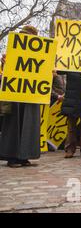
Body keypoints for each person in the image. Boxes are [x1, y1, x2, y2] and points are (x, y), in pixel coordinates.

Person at [0, 25, 41, 168]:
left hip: (31, 94)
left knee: (28, 125)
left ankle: (24, 156)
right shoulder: (13, 51)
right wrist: (5, 63)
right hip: (15, 95)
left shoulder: (39, 54)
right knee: (14, 124)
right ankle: (11, 157)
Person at [60, 72, 81, 159]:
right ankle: (70, 150)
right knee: (71, 127)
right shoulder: (71, 66)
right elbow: (60, 70)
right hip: (72, 101)